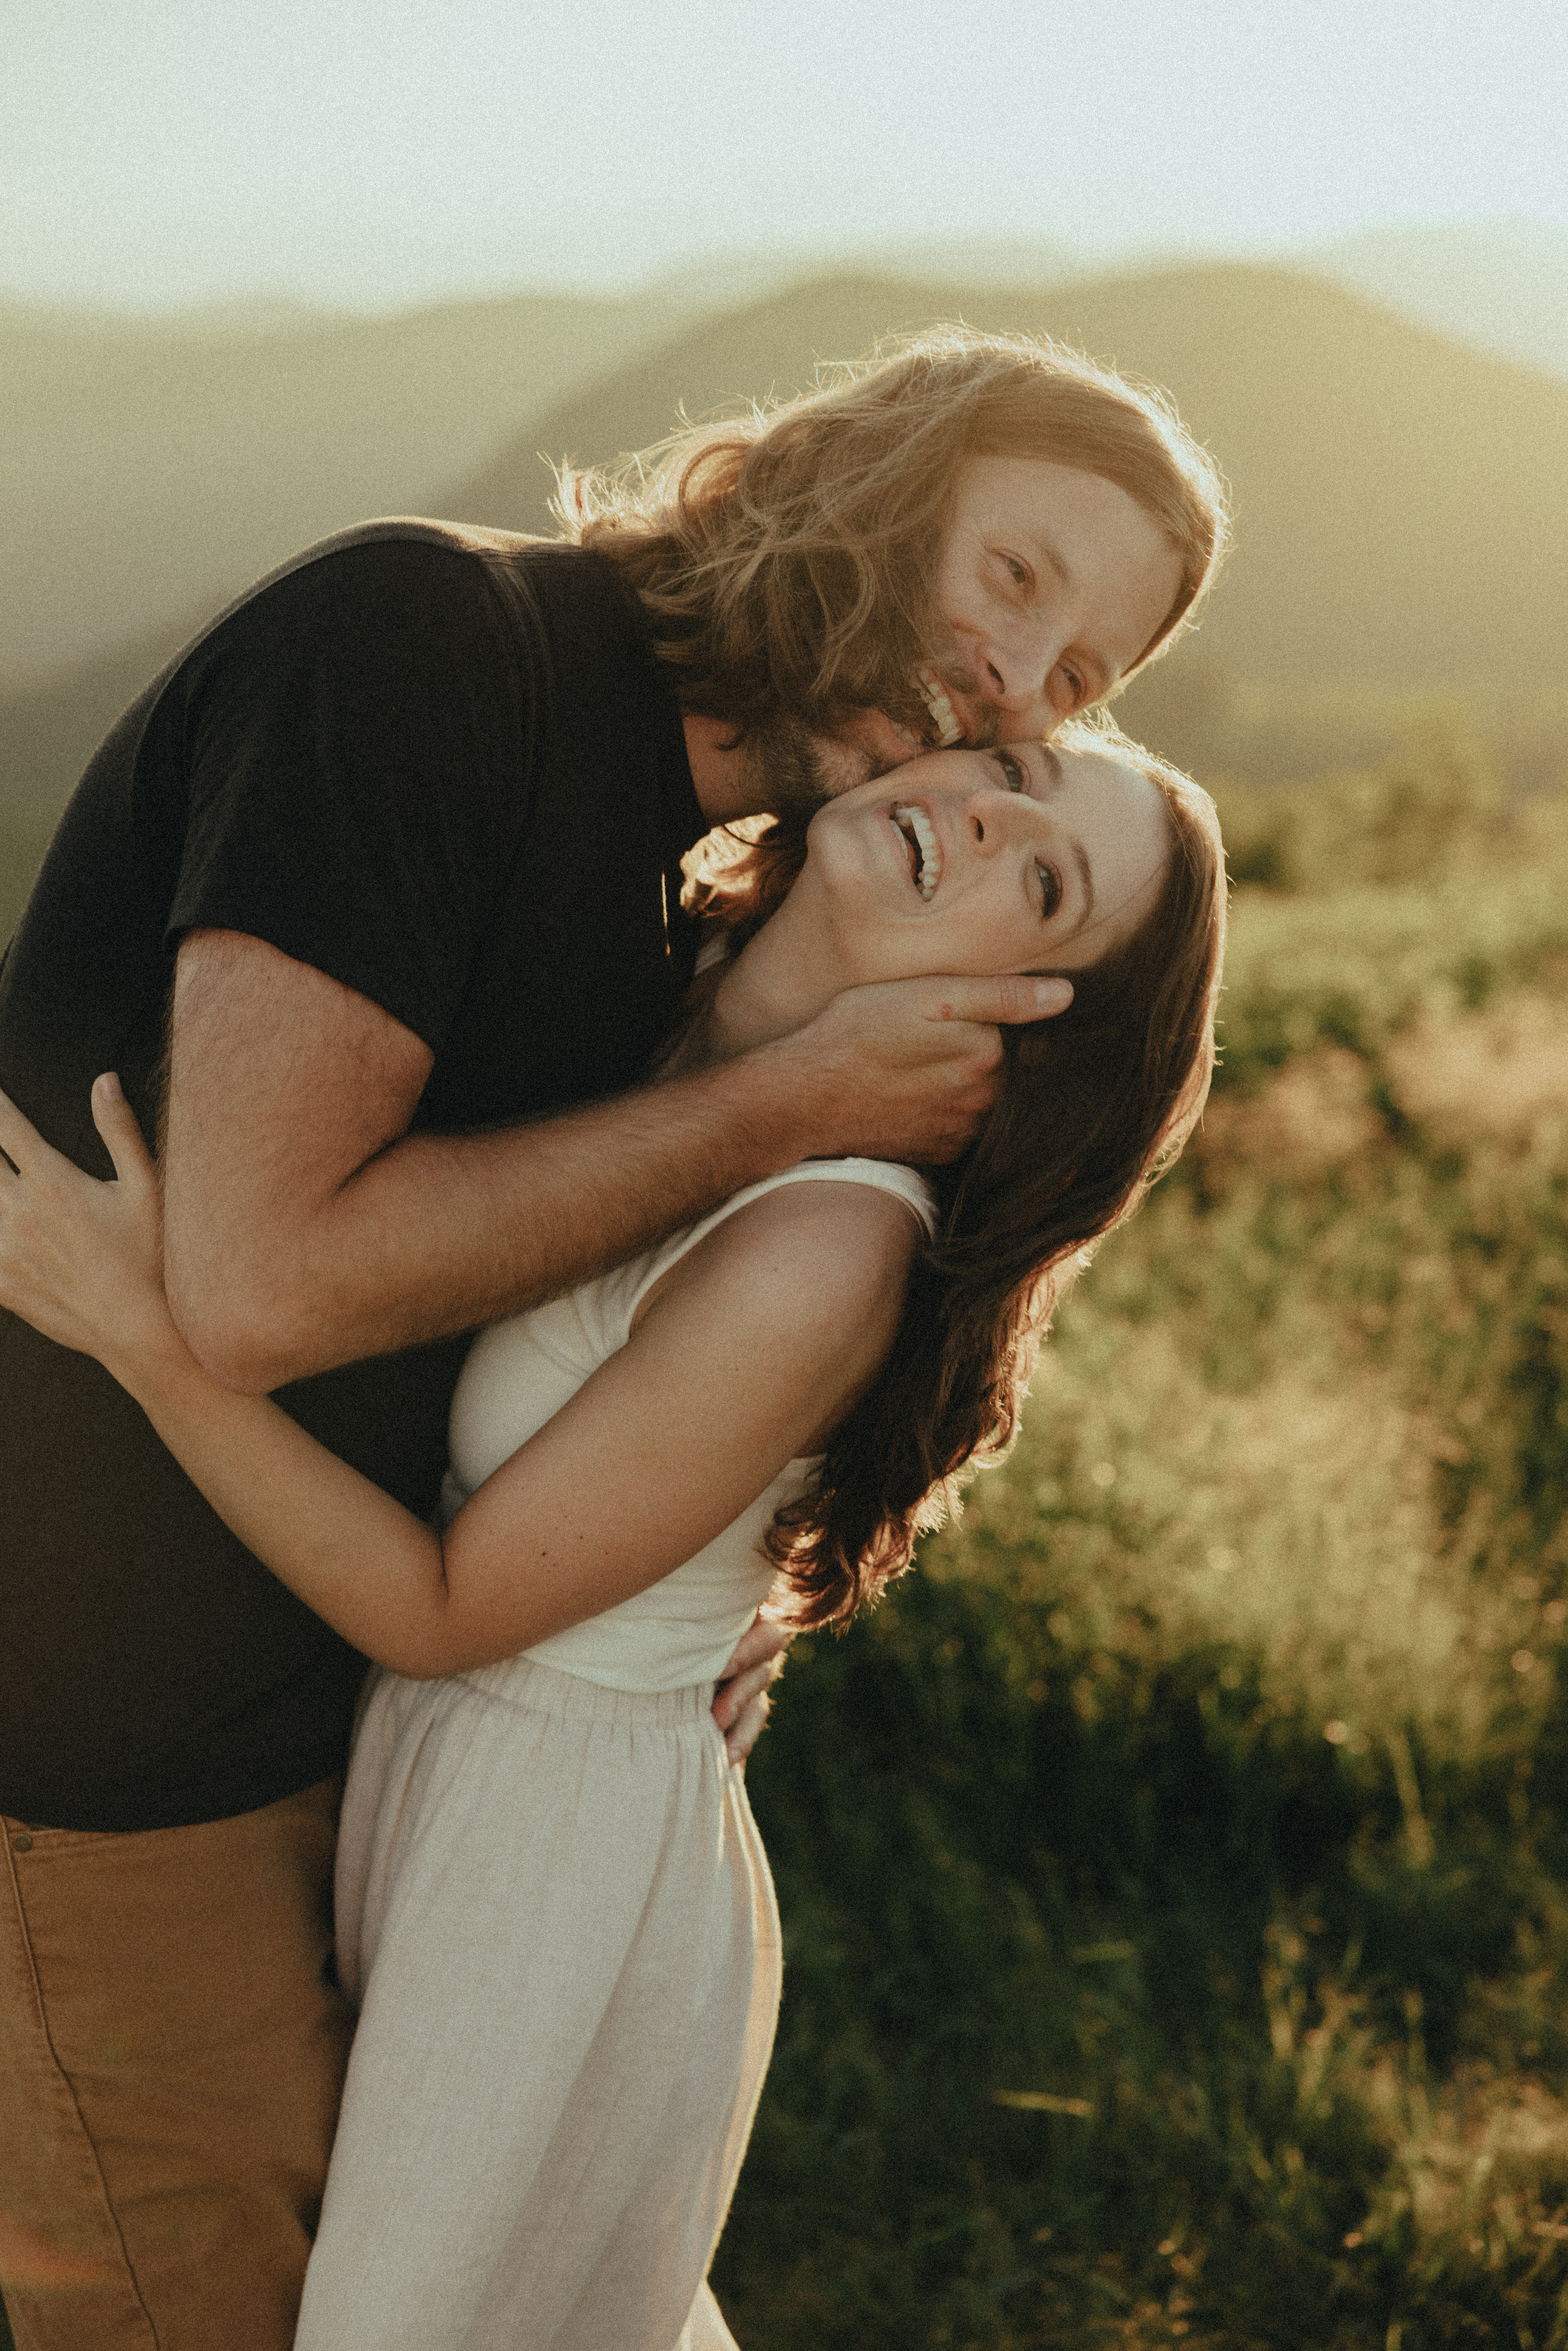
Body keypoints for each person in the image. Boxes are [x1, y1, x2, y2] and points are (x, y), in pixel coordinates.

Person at [0, 327, 1228, 2350]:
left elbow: (611, 1331)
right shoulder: (424, 650)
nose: (1013, 684)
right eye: (1013, 583)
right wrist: (793, 1101)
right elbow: (261, 1288)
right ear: (865, 468)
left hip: (344, 1762)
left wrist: (668, 1610)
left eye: (1076, 683)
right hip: (117, 1762)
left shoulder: (679, 895)